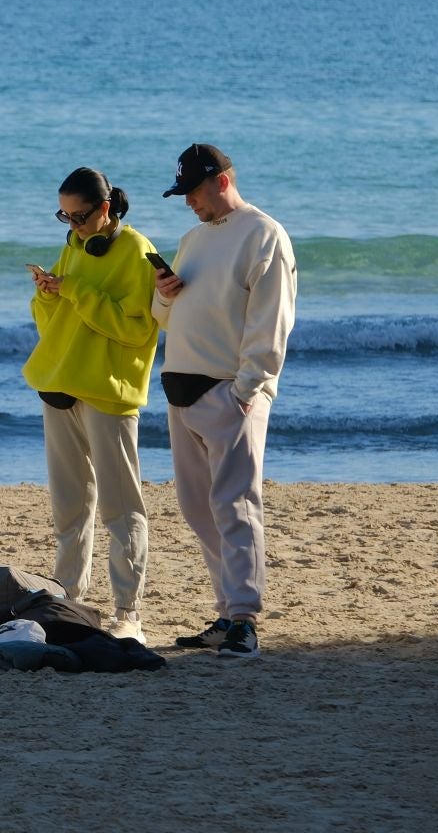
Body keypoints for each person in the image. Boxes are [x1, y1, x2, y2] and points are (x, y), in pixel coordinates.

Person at [151, 143, 297, 660]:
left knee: (235, 505)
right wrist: (165, 293)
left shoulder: (264, 235)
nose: (188, 202)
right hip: (181, 389)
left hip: (229, 391)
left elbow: (271, 321)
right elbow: (165, 316)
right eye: (183, 193)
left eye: (193, 191)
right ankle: (225, 611)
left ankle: (244, 619)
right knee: (197, 508)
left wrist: (247, 388)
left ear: (220, 180)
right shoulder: (193, 239)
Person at [21, 166, 159, 643]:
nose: (73, 226)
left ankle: (128, 611)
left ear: (105, 209)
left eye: (80, 217)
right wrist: (46, 295)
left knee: (122, 509)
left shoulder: (136, 251)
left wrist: (76, 290)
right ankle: (68, 600)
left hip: (108, 392)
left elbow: (135, 328)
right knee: (69, 508)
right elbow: (55, 324)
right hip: (60, 384)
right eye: (65, 216)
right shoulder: (74, 245)